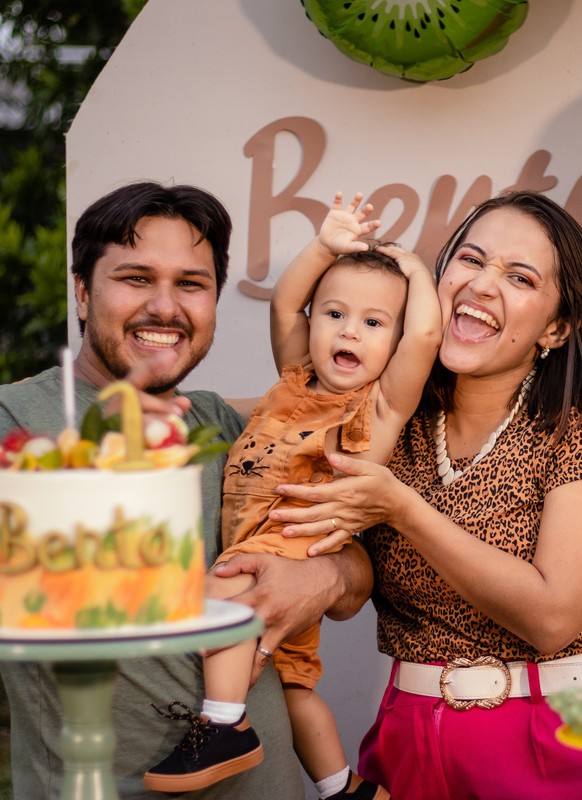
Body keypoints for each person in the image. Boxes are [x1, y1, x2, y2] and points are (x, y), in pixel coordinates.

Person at [0, 181, 373, 800]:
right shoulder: (15, 417)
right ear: (81, 292)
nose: (165, 307)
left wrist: (328, 577)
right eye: (134, 278)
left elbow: (353, 578)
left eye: (191, 283)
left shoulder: (228, 426)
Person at [247, 190, 582, 800]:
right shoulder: (387, 416)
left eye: (519, 277)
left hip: (556, 742)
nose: (484, 285)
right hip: (408, 741)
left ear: (556, 326)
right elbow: (345, 587)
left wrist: (403, 509)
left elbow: (553, 618)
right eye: (471, 260)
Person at [143, 193, 439, 799]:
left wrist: (412, 271)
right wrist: (325, 246)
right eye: (334, 314)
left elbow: (428, 333)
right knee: (296, 690)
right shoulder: (294, 380)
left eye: (375, 323)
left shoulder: (379, 409)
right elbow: (283, 302)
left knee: (220, 586)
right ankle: (341, 788)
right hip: (277, 562)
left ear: (397, 342)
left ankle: (224, 724)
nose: (349, 329)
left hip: (292, 547)